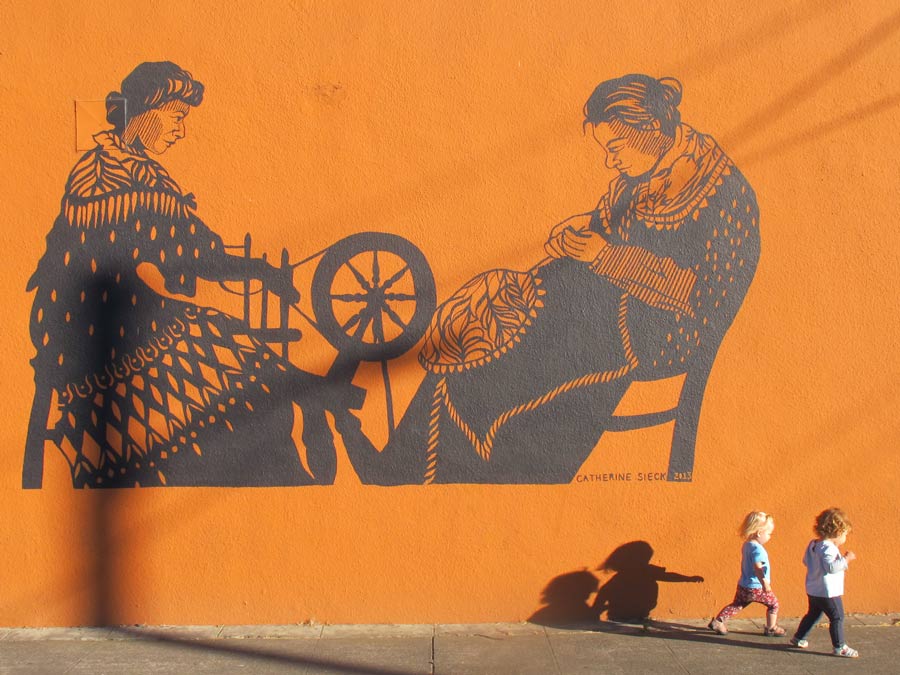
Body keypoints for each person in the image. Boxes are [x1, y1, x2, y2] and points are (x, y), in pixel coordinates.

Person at [337, 73, 761, 485]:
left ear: (650, 127)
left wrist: (605, 255)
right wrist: (580, 233)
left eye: (614, 146)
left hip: (662, 337)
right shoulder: (642, 177)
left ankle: (422, 469)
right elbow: (608, 225)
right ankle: (405, 465)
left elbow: (703, 298)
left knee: (494, 356)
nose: (611, 159)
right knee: (483, 320)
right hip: (602, 311)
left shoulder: (721, 189)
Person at [24, 61, 347, 488]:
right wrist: (261, 272)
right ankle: (276, 465)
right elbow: (194, 252)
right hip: (101, 329)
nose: (180, 130)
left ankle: (281, 453)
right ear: (146, 110)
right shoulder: (126, 176)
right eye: (176, 116)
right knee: (233, 358)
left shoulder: (104, 165)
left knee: (228, 343)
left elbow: (180, 249)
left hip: (82, 319)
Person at [791, 508, 859, 658]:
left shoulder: (813, 544)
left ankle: (799, 637)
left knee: (813, 614)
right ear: (838, 532)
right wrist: (846, 559)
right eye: (845, 534)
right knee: (837, 617)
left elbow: (805, 561)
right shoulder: (828, 548)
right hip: (829, 591)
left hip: (814, 589)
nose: (845, 538)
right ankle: (839, 646)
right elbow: (831, 568)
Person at [708, 511, 785, 636]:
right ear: (759, 533)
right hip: (756, 587)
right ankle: (771, 628)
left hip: (744, 585)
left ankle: (719, 621)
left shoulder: (747, 545)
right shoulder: (758, 549)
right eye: (769, 533)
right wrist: (765, 582)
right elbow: (757, 567)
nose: (770, 536)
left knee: (737, 604)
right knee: (773, 604)